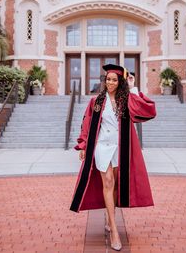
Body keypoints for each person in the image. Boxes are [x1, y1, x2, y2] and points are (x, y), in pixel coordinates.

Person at [70, 64, 156, 251]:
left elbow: (147, 111)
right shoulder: (96, 101)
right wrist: (83, 144)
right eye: (107, 79)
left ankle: (110, 218)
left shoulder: (126, 100)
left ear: (120, 82)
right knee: (108, 182)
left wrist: (133, 88)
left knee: (115, 184)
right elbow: (87, 123)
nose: (110, 82)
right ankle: (114, 230)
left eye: (114, 80)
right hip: (101, 146)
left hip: (119, 146)